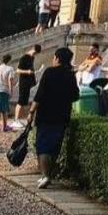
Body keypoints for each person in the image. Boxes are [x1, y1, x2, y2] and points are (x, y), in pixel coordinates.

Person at [27, 46, 80, 188]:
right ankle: (48, 175)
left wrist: (31, 112)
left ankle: (45, 175)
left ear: (57, 58)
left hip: (45, 114)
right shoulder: (70, 75)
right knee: (55, 146)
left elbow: (40, 94)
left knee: (43, 146)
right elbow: (76, 95)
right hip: (62, 115)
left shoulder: (49, 72)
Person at [12, 44, 42, 128]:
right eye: (35, 53)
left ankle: (18, 120)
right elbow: (17, 70)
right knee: (21, 101)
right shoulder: (24, 58)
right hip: (23, 82)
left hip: (28, 83)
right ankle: (16, 119)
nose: (35, 55)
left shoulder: (32, 58)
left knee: (24, 101)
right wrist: (27, 72)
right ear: (32, 49)